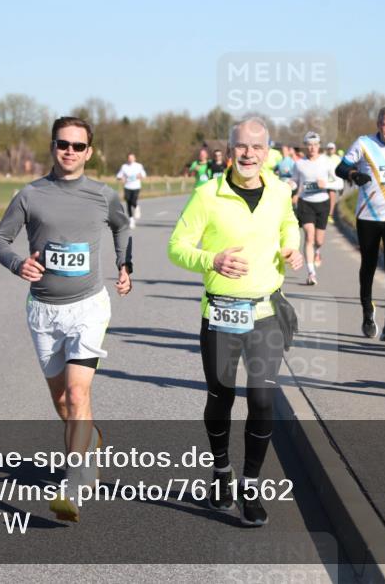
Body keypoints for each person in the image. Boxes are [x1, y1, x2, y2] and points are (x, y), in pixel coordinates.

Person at [0, 116, 133, 520]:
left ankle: (72, 483)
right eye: (62, 144)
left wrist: (126, 265)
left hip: (88, 306)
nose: (69, 151)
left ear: (89, 151)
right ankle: (91, 442)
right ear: (52, 147)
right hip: (43, 310)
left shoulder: (103, 195)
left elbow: (122, 229)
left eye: (78, 146)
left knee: (76, 394)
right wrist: (18, 264)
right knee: (61, 401)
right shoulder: (30, 195)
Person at [168, 116, 303, 527]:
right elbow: (177, 246)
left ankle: (249, 485)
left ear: (268, 152)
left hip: (264, 312)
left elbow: (289, 224)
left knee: (262, 400)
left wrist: (291, 248)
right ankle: (221, 472)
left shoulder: (279, 191)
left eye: (257, 147)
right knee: (221, 396)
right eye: (242, 147)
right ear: (230, 152)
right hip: (221, 312)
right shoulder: (207, 195)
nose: (249, 154)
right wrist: (212, 259)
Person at [334, 106, 385, 343]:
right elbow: (341, 167)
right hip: (367, 215)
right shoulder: (364, 143)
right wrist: (353, 175)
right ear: (379, 124)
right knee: (368, 266)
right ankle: (368, 314)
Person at [292, 132, 334, 285]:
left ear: (319, 146)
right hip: (306, 202)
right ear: (306, 146)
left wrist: (327, 185)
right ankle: (311, 273)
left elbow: (339, 182)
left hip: (322, 203)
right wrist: (291, 185)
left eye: (315, 145)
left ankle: (318, 250)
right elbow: (295, 180)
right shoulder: (299, 163)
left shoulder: (327, 162)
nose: (312, 148)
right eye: (309, 145)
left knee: (319, 240)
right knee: (309, 236)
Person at [116, 152, 147, 229]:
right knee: (128, 202)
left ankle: (136, 207)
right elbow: (118, 176)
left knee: (133, 201)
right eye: (129, 158)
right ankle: (131, 220)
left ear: (134, 158)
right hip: (127, 186)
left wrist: (140, 176)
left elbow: (144, 175)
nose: (130, 159)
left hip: (136, 186)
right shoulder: (124, 167)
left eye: (132, 158)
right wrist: (121, 178)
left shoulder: (139, 166)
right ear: (127, 159)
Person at [324, 141, 344, 223]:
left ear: (334, 149)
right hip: (324, 181)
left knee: (332, 196)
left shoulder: (337, 158)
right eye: (329, 149)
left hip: (333, 182)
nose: (330, 150)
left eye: (332, 149)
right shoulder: (323, 158)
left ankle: (330, 215)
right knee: (325, 199)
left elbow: (340, 170)